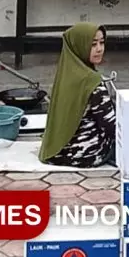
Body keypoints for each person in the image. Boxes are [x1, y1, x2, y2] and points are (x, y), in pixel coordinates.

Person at [39, 23, 114, 168]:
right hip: (86, 154)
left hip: (57, 153)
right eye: (93, 44)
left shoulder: (65, 74)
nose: (99, 49)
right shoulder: (91, 81)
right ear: (79, 46)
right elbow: (112, 126)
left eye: (102, 42)